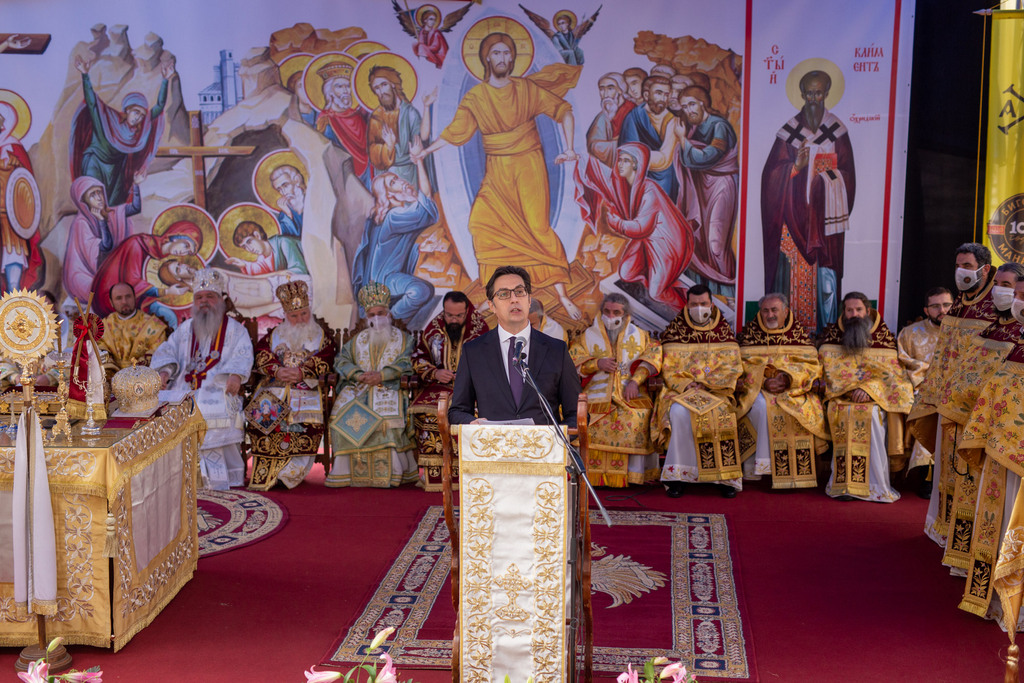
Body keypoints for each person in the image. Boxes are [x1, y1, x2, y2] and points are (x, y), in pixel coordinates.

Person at [411, 32, 583, 320]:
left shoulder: (526, 89)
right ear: (486, 59)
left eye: (506, 53)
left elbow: (563, 110)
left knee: (537, 228)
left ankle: (563, 295)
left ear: (513, 58)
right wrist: (424, 152)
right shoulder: (476, 96)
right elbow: (455, 132)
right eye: (496, 53)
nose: (502, 58)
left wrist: (568, 148)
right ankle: (495, 295)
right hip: (497, 169)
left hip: (528, 166)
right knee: (482, 224)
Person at [920, 263, 1024, 570]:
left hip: (1004, 436)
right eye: (1003, 286)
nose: (1006, 294)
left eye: (1013, 289)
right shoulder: (995, 328)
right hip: (978, 425)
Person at [909, 243, 999, 546]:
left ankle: (969, 540)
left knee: (971, 474)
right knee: (949, 470)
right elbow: (944, 356)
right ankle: (946, 531)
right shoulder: (960, 303)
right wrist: (933, 397)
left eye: (967, 265)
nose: (961, 271)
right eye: (958, 265)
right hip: (948, 405)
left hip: (976, 407)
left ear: (985, 269)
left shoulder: (997, 307)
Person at [761, 69, 856, 332]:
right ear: (802, 94)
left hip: (824, 219)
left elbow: (849, 174)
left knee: (825, 278)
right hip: (792, 219)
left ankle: (823, 331)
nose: (814, 99)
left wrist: (827, 179)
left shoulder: (837, 131)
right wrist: (795, 167)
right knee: (789, 274)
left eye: (818, 93)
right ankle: (788, 330)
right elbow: (770, 176)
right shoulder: (789, 132)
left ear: (826, 93)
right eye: (809, 93)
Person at [636, 285, 750, 498]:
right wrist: (686, 384)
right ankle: (677, 476)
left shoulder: (723, 333)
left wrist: (708, 384)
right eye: (694, 304)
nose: (699, 308)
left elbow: (733, 367)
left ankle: (724, 477)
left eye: (703, 304)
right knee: (679, 413)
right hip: (680, 392)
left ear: (711, 305)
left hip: (716, 391)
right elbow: (668, 368)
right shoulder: (675, 333)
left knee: (721, 413)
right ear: (687, 306)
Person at [956, 276, 1024, 627]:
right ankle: (998, 599)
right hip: (1000, 447)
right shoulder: (1018, 342)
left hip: (1014, 451)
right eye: (1018, 295)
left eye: (1023, 295)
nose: (1018, 301)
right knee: (999, 525)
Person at [150, 268, 253, 490]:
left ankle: (216, 478)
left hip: (220, 387)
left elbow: (243, 355)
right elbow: (167, 350)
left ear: (221, 300)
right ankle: (176, 475)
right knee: (166, 407)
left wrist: (236, 375)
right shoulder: (185, 329)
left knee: (210, 406)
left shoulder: (236, 331)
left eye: (210, 296)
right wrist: (164, 372)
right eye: (199, 297)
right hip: (183, 388)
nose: (204, 301)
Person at [448, 265, 581, 426]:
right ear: (491, 305)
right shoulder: (473, 352)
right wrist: (472, 423)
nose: (514, 299)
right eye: (504, 294)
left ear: (529, 300)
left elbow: (576, 414)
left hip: (543, 442)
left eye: (519, 292)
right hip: (493, 441)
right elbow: (457, 411)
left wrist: (555, 439)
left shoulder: (556, 350)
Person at [817, 292, 913, 502]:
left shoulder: (884, 341)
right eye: (849, 310)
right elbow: (827, 373)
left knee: (872, 418)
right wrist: (850, 390)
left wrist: (870, 390)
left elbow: (896, 378)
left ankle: (875, 485)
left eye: (858, 309)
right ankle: (844, 486)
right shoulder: (833, 340)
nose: (854, 314)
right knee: (844, 414)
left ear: (867, 311)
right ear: (843, 312)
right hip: (842, 398)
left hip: (876, 400)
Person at [578, 143, 693, 310]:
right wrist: (580, 157)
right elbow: (603, 177)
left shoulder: (649, 190)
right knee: (626, 272)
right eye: (619, 160)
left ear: (636, 164)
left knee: (656, 293)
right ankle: (658, 278)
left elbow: (641, 228)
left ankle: (687, 310)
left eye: (626, 161)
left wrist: (616, 222)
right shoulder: (627, 187)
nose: (620, 164)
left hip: (666, 244)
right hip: (647, 242)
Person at [246, 281, 337, 490]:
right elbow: (261, 354)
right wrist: (276, 370)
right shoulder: (275, 334)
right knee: (263, 416)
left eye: (304, 313)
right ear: (286, 315)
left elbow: (328, 356)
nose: (300, 319)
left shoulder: (321, 336)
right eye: (294, 316)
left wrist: (302, 372)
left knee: (303, 425)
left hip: (305, 389)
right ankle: (268, 471)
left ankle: (289, 473)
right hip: (274, 387)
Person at [735, 293, 829, 489]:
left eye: (774, 310)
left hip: (795, 390)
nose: (770, 315)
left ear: (785, 312)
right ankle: (760, 466)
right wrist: (764, 380)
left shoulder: (800, 338)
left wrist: (788, 378)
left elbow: (813, 367)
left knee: (795, 408)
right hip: (758, 389)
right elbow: (740, 368)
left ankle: (794, 470)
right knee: (761, 406)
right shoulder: (750, 339)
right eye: (765, 311)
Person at [327, 283, 417, 488]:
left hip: (389, 387)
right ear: (366, 317)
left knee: (387, 420)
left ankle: (391, 474)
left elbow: (407, 363)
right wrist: (358, 375)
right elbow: (341, 361)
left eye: (380, 313)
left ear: (388, 313)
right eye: (372, 315)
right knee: (340, 416)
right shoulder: (358, 340)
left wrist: (383, 375)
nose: (377, 318)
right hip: (359, 388)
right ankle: (348, 474)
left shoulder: (405, 339)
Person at [570, 293, 658, 487]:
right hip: (596, 392)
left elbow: (653, 356)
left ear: (625, 314)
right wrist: (596, 364)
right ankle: (591, 475)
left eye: (616, 312)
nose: (610, 316)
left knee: (639, 414)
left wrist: (635, 381)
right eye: (607, 311)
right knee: (584, 414)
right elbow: (574, 357)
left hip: (630, 391)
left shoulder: (640, 336)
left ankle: (633, 475)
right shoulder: (587, 336)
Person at [662, 86, 739, 293]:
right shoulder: (694, 128)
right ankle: (709, 292)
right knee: (699, 242)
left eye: (692, 104)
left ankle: (729, 291)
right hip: (701, 187)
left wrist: (683, 140)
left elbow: (707, 157)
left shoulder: (719, 126)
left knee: (716, 243)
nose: (689, 110)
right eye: (685, 107)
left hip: (721, 185)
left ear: (703, 103)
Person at [409, 290, 489, 490]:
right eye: (449, 315)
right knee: (430, 416)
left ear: (467, 311)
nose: (453, 320)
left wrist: (469, 375)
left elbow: (491, 361)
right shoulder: (433, 329)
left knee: (475, 415)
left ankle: (474, 475)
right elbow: (418, 357)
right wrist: (435, 372)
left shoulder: (480, 329)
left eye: (459, 316)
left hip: (472, 389)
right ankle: (435, 476)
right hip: (439, 387)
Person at [70, 56, 172, 205]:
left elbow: (159, 106)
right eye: (136, 112)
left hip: (116, 171)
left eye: (142, 115)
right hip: (95, 164)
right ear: (127, 110)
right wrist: (85, 75)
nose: (138, 118)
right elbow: (92, 102)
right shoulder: (107, 120)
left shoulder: (138, 133)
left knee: (114, 206)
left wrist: (165, 80)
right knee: (94, 203)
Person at [351, 146, 437, 322]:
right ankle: (390, 321)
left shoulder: (387, 218)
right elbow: (426, 204)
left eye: (396, 178)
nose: (401, 182)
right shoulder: (393, 217)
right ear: (388, 195)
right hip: (384, 281)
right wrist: (419, 162)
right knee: (421, 291)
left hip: (381, 281)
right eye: (393, 183)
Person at [90, 216, 202, 327]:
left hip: (137, 301)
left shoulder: (162, 258)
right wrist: (166, 292)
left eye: (189, 252)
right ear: (176, 236)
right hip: (109, 298)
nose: (184, 252)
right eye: (186, 245)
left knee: (168, 317)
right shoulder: (138, 244)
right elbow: (132, 282)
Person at [897, 286, 953, 489]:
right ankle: (926, 476)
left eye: (946, 305)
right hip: (922, 388)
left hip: (954, 390)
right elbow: (903, 362)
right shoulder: (910, 333)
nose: (942, 310)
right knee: (926, 409)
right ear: (926, 310)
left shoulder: (964, 333)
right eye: (936, 306)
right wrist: (929, 378)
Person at [65, 174, 142, 303]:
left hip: (109, 267)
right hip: (87, 272)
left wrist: (136, 185)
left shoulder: (110, 213)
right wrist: (101, 221)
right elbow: (106, 246)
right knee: (100, 290)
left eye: (99, 192)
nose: (98, 198)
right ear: (84, 202)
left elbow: (135, 208)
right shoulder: (81, 223)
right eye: (92, 195)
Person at [301, 60, 371, 188]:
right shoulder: (325, 120)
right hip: (342, 177)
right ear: (330, 91)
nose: (346, 91)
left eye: (347, 86)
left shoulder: (357, 116)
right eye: (339, 86)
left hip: (367, 174)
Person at [366, 64, 435, 188]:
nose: (381, 92)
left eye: (384, 85)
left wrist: (426, 107)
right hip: (386, 179)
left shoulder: (409, 112)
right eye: (376, 88)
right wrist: (389, 147)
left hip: (410, 174)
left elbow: (421, 139)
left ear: (393, 84)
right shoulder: (376, 117)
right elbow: (372, 151)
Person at [0, 100, 43, 292]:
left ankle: (14, 306)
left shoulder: (13, 148)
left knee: (13, 280)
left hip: (11, 221)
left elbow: (25, 183)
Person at [618, 75, 677, 200]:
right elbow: (628, 150)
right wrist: (634, 158)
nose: (663, 99)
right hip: (638, 178)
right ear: (646, 95)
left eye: (666, 95)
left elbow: (665, 160)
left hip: (666, 179)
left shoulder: (672, 120)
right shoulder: (634, 117)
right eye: (659, 93)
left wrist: (638, 158)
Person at [99, 281, 167, 379]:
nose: (124, 301)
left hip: (142, 379)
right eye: (119, 298)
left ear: (135, 298)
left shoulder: (154, 326)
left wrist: (133, 373)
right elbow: (101, 352)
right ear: (111, 302)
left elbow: (157, 354)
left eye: (128, 296)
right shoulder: (103, 327)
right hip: (111, 379)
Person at [225, 220, 308, 277]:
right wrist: (244, 265)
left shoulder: (284, 242)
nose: (249, 249)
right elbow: (259, 269)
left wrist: (278, 274)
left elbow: (300, 270)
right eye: (244, 247)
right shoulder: (262, 258)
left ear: (257, 235)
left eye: (249, 242)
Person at [585, 72, 634, 167]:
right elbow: (592, 144)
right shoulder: (603, 115)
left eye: (610, 88)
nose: (605, 94)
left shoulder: (632, 111)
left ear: (620, 90)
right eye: (602, 89)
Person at [269, 164, 306, 238]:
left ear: (297, 180)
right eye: (279, 189)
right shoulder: (284, 216)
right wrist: (289, 215)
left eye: (286, 185)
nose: (283, 192)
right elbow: (292, 241)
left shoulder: (313, 199)